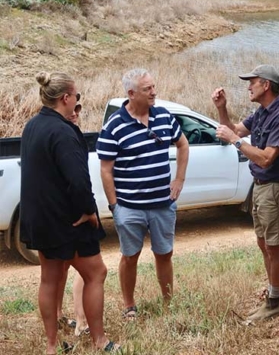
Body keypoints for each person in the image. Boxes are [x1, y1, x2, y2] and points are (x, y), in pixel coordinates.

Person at [20, 71, 120, 354]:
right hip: (68, 221)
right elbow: (77, 180)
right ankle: (100, 341)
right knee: (96, 273)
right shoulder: (64, 131)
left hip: (40, 218)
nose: (78, 101)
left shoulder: (32, 126)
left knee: (50, 279)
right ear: (66, 98)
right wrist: (89, 211)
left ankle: (51, 346)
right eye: (77, 97)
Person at [96, 68, 189, 319]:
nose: (154, 92)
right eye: (147, 89)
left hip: (162, 204)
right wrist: (115, 207)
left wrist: (179, 179)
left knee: (164, 254)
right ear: (131, 93)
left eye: (153, 87)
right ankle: (129, 306)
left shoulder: (164, 116)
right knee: (130, 256)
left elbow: (182, 144)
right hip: (129, 206)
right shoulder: (114, 126)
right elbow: (106, 169)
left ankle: (168, 303)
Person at [211, 64, 279, 321]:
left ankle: (274, 301)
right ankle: (275, 296)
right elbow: (235, 129)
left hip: (275, 189)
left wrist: (235, 141)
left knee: (274, 245)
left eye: (252, 82)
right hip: (261, 188)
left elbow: (265, 159)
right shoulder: (262, 112)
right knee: (264, 244)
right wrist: (221, 108)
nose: (248, 86)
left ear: (266, 85)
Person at [56, 102, 90, 337]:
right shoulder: (65, 137)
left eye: (80, 109)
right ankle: (82, 322)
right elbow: (77, 181)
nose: (76, 113)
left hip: (57, 213)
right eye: (73, 108)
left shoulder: (47, 131)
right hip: (72, 212)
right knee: (90, 269)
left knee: (60, 268)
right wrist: (88, 209)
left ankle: (58, 317)